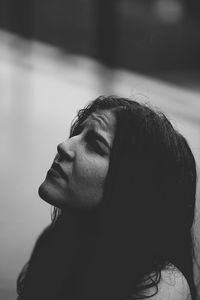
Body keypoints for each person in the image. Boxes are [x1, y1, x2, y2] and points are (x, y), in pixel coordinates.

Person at [17, 95, 198, 300]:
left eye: (95, 145)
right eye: (77, 133)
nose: (64, 146)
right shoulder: (58, 240)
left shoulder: (163, 287)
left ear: (132, 184)